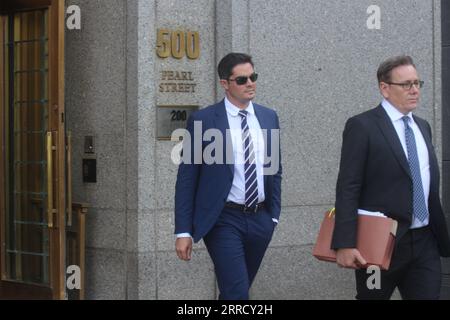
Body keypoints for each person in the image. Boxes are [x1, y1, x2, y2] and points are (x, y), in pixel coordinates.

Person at [331, 55, 450, 299]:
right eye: (406, 84)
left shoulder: (422, 126)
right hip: (379, 245)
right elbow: (348, 186)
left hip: (425, 242)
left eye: (417, 83)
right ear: (384, 88)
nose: (414, 90)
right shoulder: (362, 126)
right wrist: (344, 243)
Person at [174, 52, 282, 300]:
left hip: (261, 219)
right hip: (223, 219)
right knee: (237, 293)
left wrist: (273, 216)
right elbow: (187, 178)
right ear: (225, 84)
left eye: (253, 77)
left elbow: (275, 169)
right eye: (242, 80)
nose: (250, 83)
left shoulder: (268, 117)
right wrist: (183, 231)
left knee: (234, 291)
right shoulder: (203, 120)